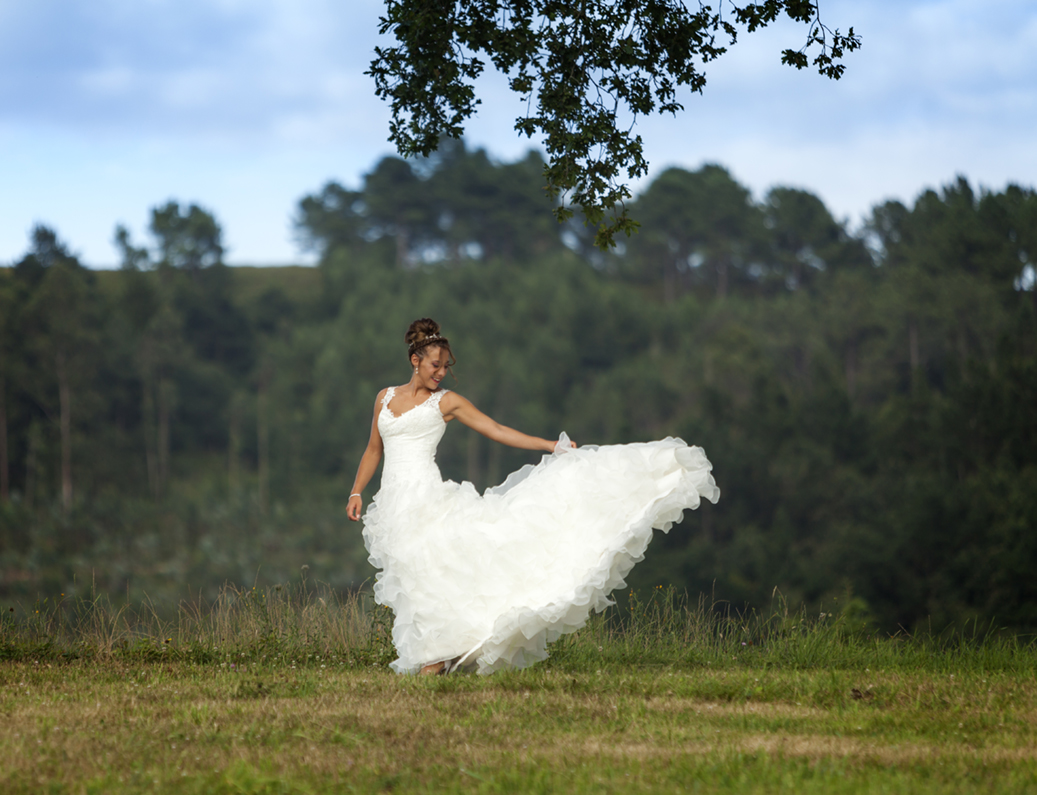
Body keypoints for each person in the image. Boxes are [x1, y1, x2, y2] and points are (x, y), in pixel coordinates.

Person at [347, 318, 719, 675]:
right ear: (415, 361)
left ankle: (436, 658)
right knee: (414, 577)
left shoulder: (446, 403)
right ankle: (438, 653)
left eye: (445, 366)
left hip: (426, 497)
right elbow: (373, 450)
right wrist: (357, 491)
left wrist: (548, 446)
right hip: (394, 504)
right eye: (434, 365)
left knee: (433, 571)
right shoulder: (385, 398)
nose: (440, 373)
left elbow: (495, 429)